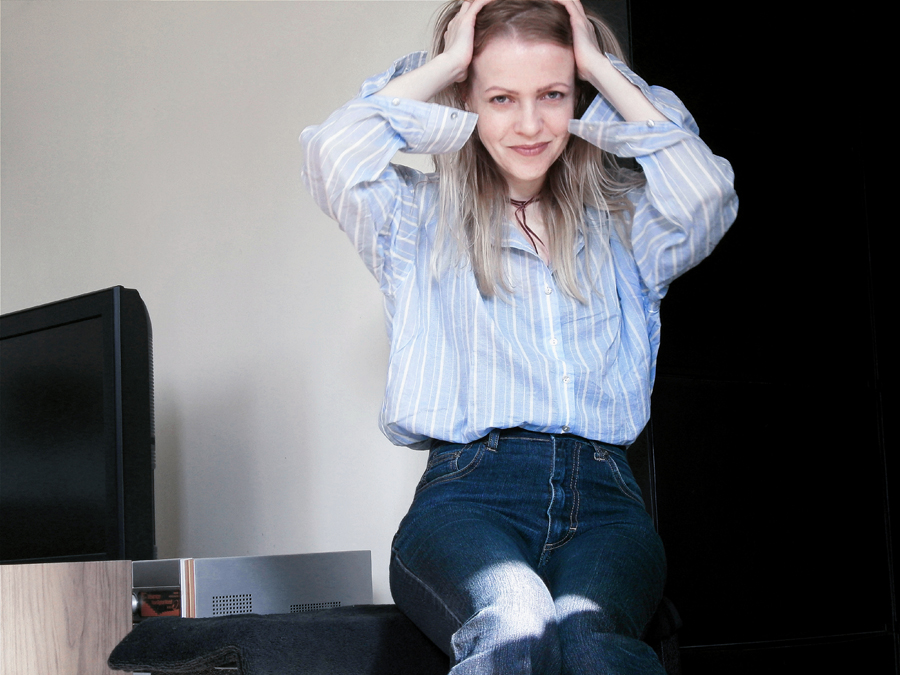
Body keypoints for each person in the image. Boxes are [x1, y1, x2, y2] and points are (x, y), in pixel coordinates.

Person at [301, 0, 737, 672]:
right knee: (514, 623)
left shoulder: (626, 230)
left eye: (554, 95)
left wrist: (601, 67)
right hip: (466, 496)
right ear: (465, 101)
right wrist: (446, 62)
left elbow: (706, 193)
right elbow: (335, 152)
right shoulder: (413, 221)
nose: (530, 124)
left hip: (606, 504)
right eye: (500, 97)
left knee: (591, 641)